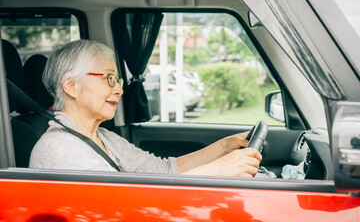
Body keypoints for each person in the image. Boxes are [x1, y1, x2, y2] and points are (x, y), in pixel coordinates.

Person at [29, 40, 262, 177]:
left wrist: (223, 147)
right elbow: (124, 204)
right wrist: (218, 170)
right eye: (109, 78)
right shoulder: (59, 149)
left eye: (118, 80)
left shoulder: (104, 138)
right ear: (71, 85)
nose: (119, 90)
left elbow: (165, 170)